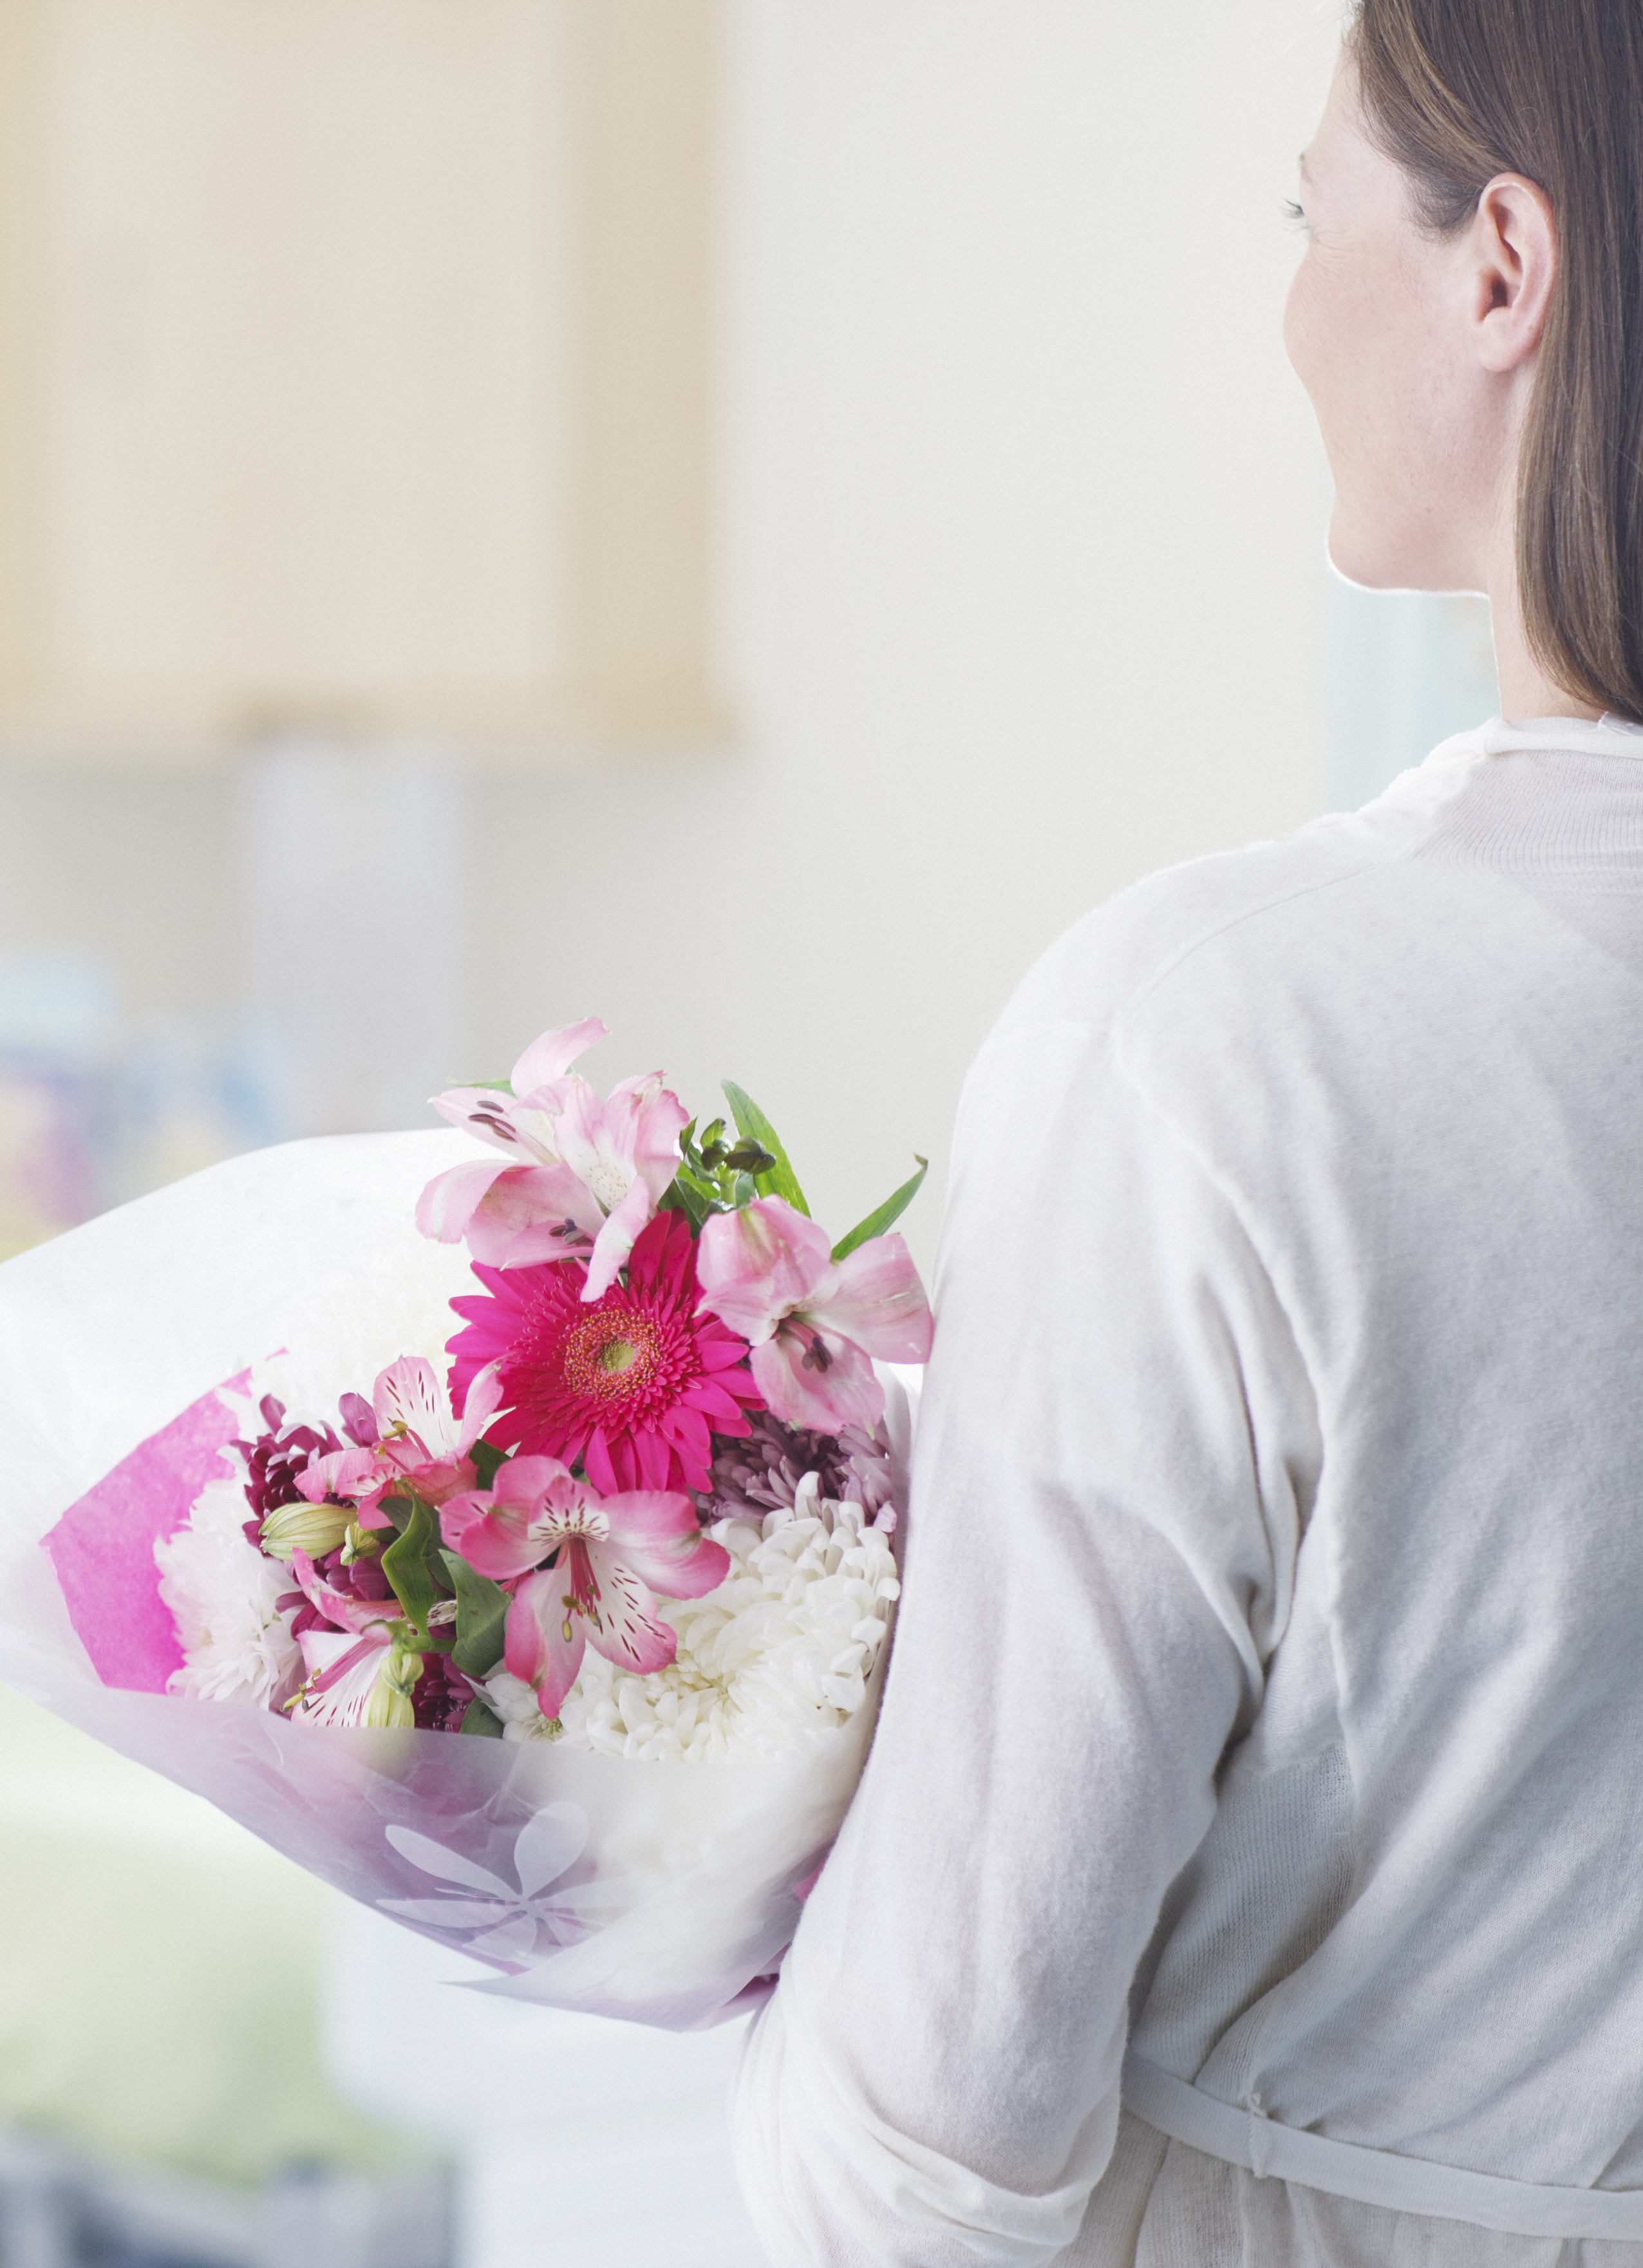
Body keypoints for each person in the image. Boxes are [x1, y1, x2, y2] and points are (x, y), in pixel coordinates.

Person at [730, 6, 1643, 2263]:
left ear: (1500, 265)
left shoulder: (1213, 1034)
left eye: (1304, 209)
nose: (1290, 299)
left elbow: (928, 2131)